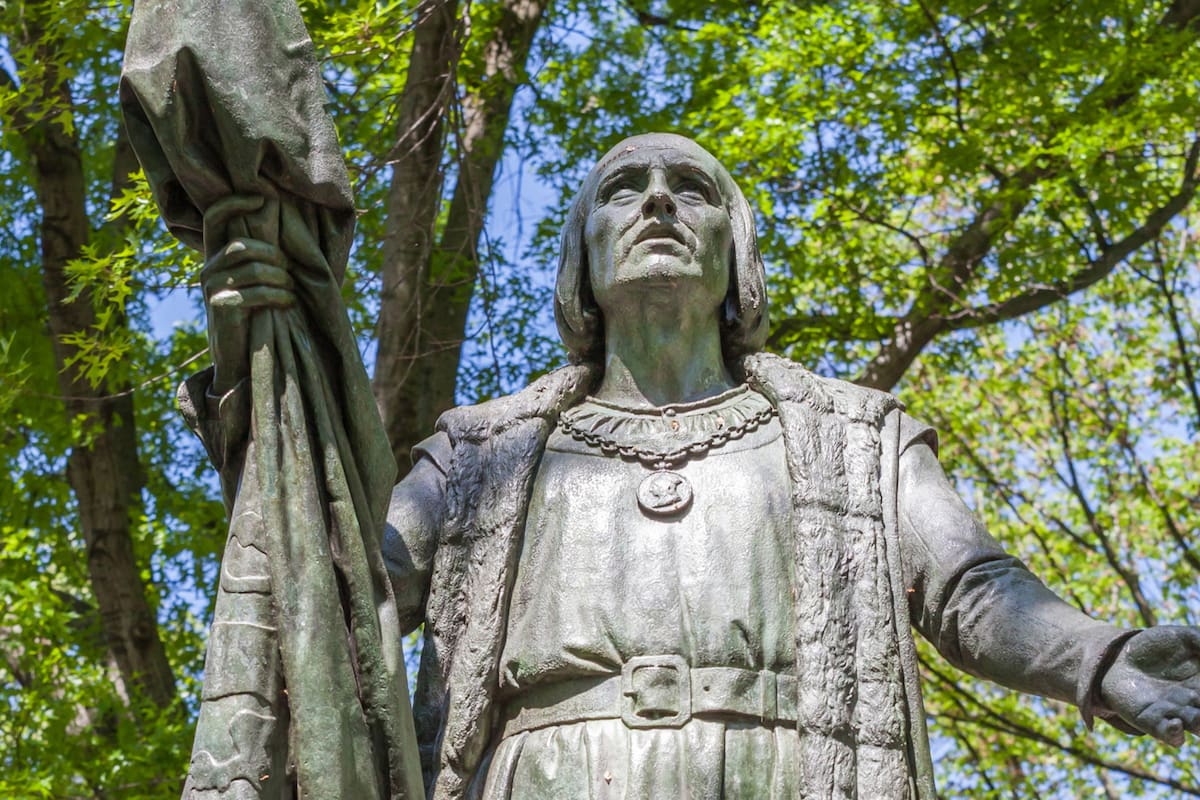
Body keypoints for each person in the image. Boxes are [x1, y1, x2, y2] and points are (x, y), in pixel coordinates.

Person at [188, 133, 1200, 799]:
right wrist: (267, 402)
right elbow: (344, 595)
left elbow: (975, 591)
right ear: (582, 257)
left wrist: (1099, 659)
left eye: (694, 191)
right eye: (623, 190)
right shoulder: (476, 452)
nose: (659, 201)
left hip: (779, 768)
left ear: (735, 254)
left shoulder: (855, 435)